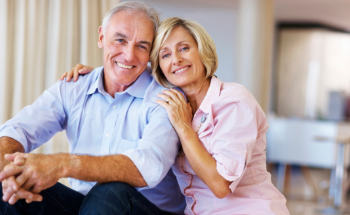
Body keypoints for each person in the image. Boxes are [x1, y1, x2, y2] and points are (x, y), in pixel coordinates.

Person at [66, 17, 290, 214]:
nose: (176, 60)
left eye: (184, 48)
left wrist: (184, 127)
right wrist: (100, 75)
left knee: (111, 193)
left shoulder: (233, 101)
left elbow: (221, 184)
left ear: (202, 51)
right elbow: (132, 69)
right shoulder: (170, 101)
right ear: (159, 67)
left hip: (248, 211)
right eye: (165, 55)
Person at [0, 2, 185, 215]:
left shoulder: (166, 97)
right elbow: (18, 129)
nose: (128, 55)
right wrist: (9, 171)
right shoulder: (73, 87)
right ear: (101, 37)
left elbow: (149, 167)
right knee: (10, 186)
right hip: (87, 206)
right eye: (120, 40)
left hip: (147, 209)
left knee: (110, 190)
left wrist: (62, 164)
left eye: (142, 46)